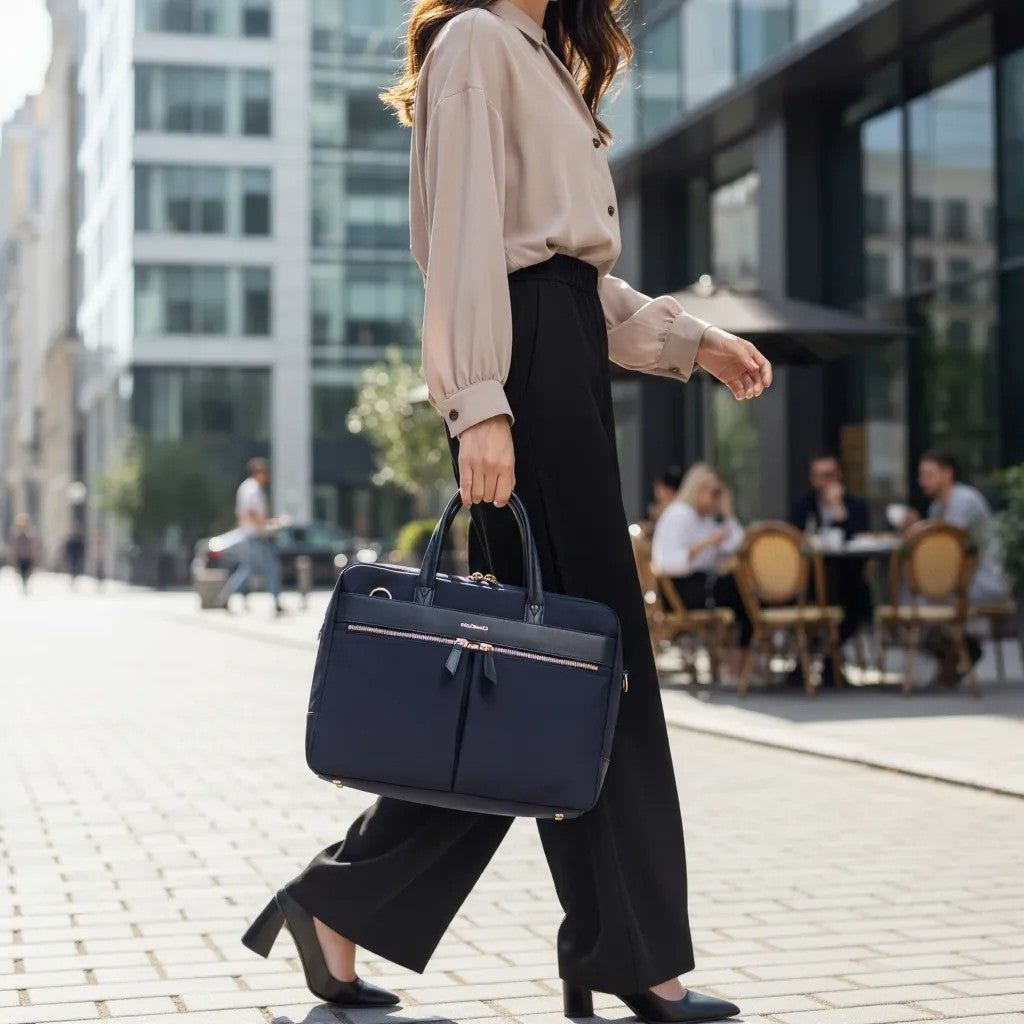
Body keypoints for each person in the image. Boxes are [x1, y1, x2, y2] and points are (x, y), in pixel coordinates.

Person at [241, 4, 772, 1022]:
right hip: (519, 374)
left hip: (555, 354)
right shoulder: (479, 41)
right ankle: (621, 955)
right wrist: (478, 401)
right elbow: (469, 243)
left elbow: (568, 277)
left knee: (549, 676)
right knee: (576, 669)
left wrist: (686, 338)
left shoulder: (538, 57)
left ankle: (350, 908)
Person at [650, 464, 751, 675]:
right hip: (680, 591)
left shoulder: (702, 518)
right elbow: (666, 563)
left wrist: (728, 513)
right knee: (745, 591)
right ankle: (740, 665)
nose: (718, 498)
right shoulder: (680, 514)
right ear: (698, 489)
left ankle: (741, 664)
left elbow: (737, 544)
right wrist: (703, 546)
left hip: (700, 585)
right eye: (715, 493)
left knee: (747, 589)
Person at [790, 454, 873, 669]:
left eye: (829, 475)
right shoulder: (803, 505)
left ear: (839, 475)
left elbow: (858, 537)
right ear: (812, 479)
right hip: (809, 582)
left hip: (848, 579)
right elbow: (796, 539)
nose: (824, 481)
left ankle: (830, 657)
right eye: (819, 476)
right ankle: (806, 661)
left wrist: (838, 509)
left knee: (857, 599)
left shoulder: (855, 505)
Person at [909, 450, 1009, 605]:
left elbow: (946, 547)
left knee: (921, 597)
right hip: (963, 580)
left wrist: (917, 529)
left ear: (947, 474)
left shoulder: (964, 500)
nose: (922, 482)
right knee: (916, 589)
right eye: (921, 476)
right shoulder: (936, 507)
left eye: (928, 475)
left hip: (984, 581)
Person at [217, 457, 284, 615]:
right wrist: (263, 528)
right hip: (256, 536)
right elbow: (251, 512)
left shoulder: (247, 488)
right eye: (265, 472)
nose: (267, 476)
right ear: (258, 472)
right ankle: (276, 602)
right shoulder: (252, 488)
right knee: (271, 567)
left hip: (250, 534)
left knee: (248, 569)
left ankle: (225, 597)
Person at [9, 514, 38, 594]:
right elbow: (14, 546)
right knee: (21, 572)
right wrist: (14, 555)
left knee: (27, 572)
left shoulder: (30, 534)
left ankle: (25, 582)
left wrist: (33, 554)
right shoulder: (16, 534)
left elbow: (33, 545)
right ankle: (23, 583)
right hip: (20, 556)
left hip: (27, 556)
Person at [64, 523, 86, 587]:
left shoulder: (79, 538)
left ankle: (74, 578)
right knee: (72, 567)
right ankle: (72, 578)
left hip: (77, 556)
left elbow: (81, 548)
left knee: (76, 568)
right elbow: (68, 547)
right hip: (71, 556)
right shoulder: (71, 538)